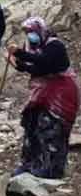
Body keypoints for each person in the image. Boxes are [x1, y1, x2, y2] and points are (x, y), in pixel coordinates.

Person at [9, 17, 79, 179]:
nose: (30, 36)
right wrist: (18, 64)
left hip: (61, 93)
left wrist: (20, 53)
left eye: (32, 32)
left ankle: (52, 168)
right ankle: (31, 162)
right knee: (31, 123)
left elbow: (45, 62)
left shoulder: (55, 45)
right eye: (27, 33)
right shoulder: (35, 48)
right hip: (43, 93)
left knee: (51, 128)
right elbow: (37, 69)